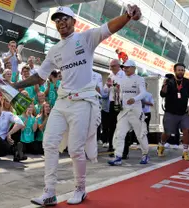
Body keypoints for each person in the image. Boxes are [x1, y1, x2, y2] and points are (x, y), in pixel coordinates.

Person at [12, 5, 142, 206]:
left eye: (65, 18)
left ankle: (80, 189)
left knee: (75, 149)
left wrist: (127, 16)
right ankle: (49, 193)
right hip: (62, 102)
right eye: (57, 20)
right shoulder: (55, 50)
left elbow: (109, 28)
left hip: (83, 102)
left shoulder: (86, 39)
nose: (61, 22)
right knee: (49, 143)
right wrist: (14, 85)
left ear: (73, 22)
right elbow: (40, 77)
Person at [108, 60, 149, 166]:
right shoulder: (121, 80)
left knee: (141, 135)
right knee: (119, 134)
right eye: (124, 67)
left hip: (135, 111)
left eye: (127, 67)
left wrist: (134, 99)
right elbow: (119, 94)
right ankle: (118, 157)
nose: (125, 69)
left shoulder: (139, 79)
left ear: (134, 68)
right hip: (124, 111)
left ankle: (145, 154)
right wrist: (117, 101)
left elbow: (143, 93)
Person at [157, 63, 189, 161]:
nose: (181, 72)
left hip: (184, 113)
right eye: (179, 70)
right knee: (167, 133)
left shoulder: (187, 82)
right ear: (175, 71)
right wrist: (164, 85)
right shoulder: (169, 81)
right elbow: (163, 94)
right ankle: (161, 145)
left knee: (186, 130)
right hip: (171, 112)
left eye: (182, 70)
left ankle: (185, 152)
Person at [105, 59, 125, 156]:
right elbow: (105, 89)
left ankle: (121, 147)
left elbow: (122, 87)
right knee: (111, 124)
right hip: (113, 101)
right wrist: (109, 86)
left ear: (118, 66)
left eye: (113, 66)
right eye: (110, 66)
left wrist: (112, 85)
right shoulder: (110, 76)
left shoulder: (123, 75)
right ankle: (111, 145)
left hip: (121, 101)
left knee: (121, 124)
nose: (111, 68)